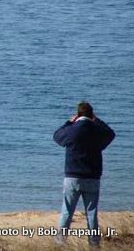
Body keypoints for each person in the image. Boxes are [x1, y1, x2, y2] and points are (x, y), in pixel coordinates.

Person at [53, 101, 115, 247]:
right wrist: (98, 120)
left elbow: (56, 136)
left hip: (72, 176)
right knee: (92, 213)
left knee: (67, 212)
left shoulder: (72, 130)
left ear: (78, 114)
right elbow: (111, 134)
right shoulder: (97, 130)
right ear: (91, 114)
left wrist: (68, 122)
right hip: (92, 177)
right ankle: (94, 244)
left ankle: (60, 243)